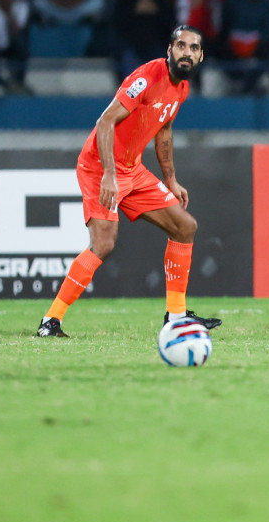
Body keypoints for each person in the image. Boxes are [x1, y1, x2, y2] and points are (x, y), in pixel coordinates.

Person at [36, 26, 219, 338]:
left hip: (132, 170)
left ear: (200, 56)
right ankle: (50, 321)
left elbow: (164, 129)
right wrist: (109, 174)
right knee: (104, 243)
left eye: (193, 48)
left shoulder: (182, 89)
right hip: (99, 166)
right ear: (170, 49)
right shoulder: (146, 78)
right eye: (181, 46)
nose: (187, 52)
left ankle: (176, 316)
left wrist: (171, 180)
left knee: (185, 227)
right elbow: (105, 121)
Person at [112, 0, 173, 76]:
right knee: (127, 59)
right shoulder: (124, 0)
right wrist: (134, 11)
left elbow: (169, 25)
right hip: (131, 46)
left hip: (156, 46)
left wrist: (156, 12)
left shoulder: (161, 0)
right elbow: (118, 25)